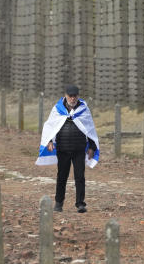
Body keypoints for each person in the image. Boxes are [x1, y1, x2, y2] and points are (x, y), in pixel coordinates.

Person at [35, 84, 99, 213]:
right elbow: (51, 126)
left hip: (79, 149)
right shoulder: (57, 109)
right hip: (63, 149)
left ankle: (80, 204)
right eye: (70, 96)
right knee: (62, 176)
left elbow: (89, 128)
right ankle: (59, 203)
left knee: (80, 177)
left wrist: (92, 147)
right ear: (66, 96)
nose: (73, 99)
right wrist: (49, 141)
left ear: (78, 96)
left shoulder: (84, 109)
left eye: (75, 96)